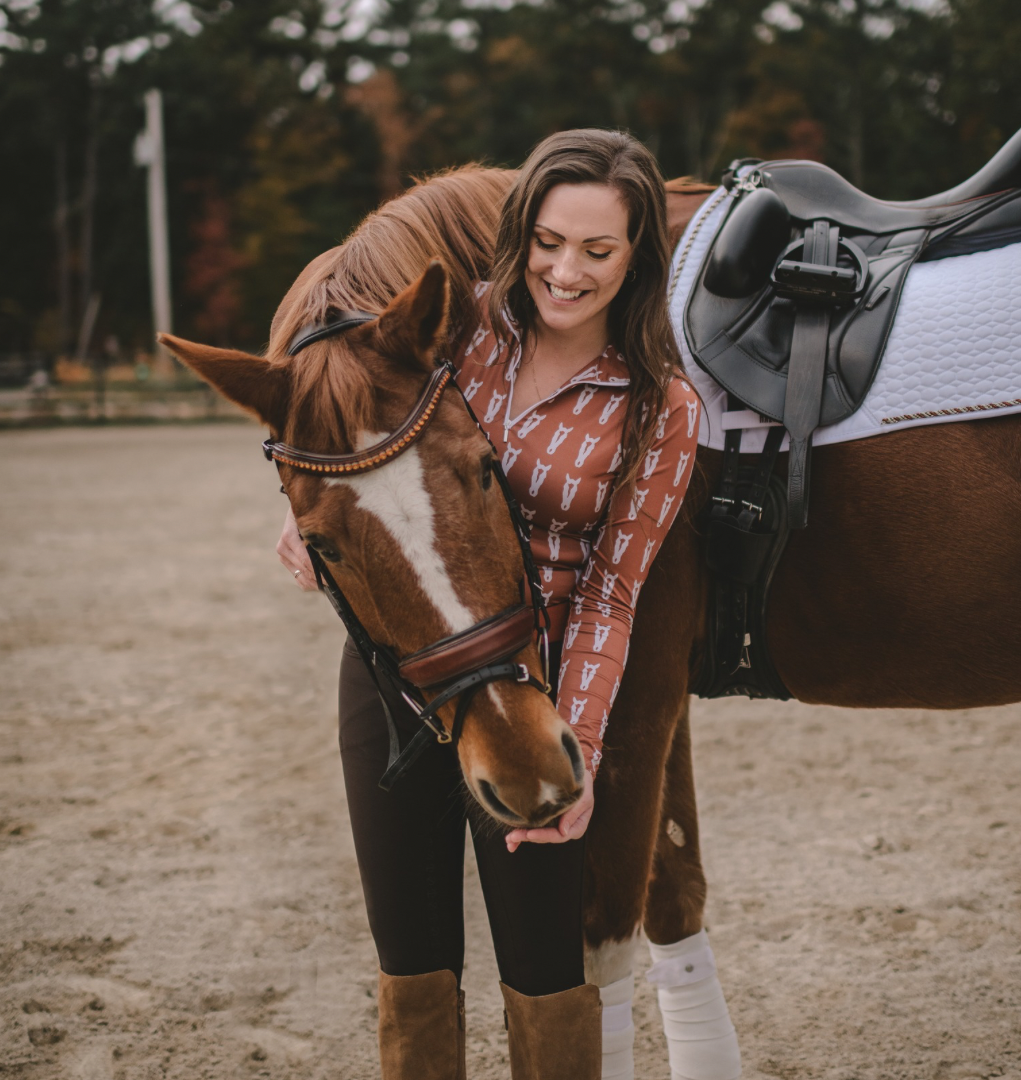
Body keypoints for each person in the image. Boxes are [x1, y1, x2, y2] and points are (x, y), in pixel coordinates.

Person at [276, 128, 700, 1080]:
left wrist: (578, 741)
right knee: (412, 968)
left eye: (599, 250)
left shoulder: (661, 409)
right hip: (398, 678)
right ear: (521, 238)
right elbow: (332, 407)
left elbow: (613, 589)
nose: (566, 271)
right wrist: (298, 512)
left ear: (637, 258)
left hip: (526, 695)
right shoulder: (455, 326)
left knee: (546, 976)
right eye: (550, 242)